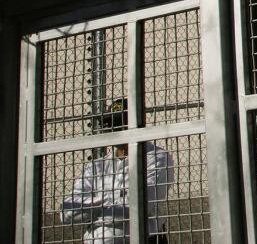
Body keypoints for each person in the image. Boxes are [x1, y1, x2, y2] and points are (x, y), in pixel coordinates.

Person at [60, 99, 175, 243]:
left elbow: (138, 206)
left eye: (119, 123)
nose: (113, 129)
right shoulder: (97, 166)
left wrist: (92, 208)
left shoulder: (155, 157)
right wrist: (110, 203)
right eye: (110, 123)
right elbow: (66, 213)